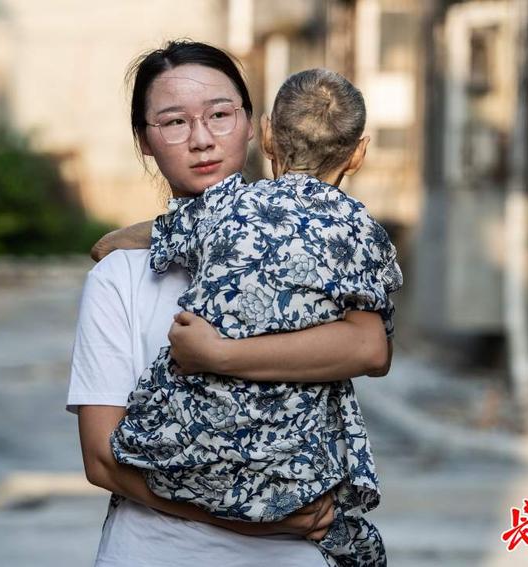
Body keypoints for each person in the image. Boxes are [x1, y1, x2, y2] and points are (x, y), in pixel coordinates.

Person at [67, 41, 394, 567]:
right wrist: (260, 514)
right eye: (174, 122)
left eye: (220, 115)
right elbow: (102, 461)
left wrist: (217, 355)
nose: (201, 140)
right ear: (144, 141)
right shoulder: (119, 277)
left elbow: (370, 346)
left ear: (256, 128)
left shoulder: (322, 256)